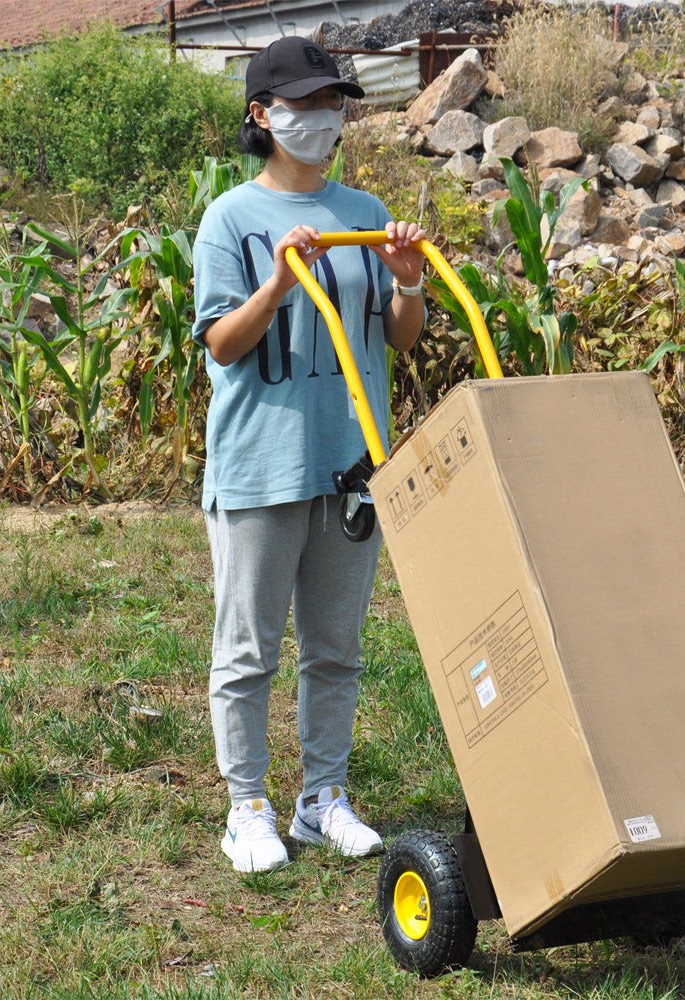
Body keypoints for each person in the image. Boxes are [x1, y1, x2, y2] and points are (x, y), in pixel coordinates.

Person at [192, 35, 427, 873]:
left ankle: (322, 798)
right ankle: (246, 805)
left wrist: (405, 280)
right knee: (248, 648)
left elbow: (396, 339)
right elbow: (222, 344)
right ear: (263, 114)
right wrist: (280, 285)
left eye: (334, 103)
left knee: (336, 647)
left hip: (352, 465)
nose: (325, 117)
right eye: (307, 102)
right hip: (260, 465)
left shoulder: (363, 211)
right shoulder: (229, 219)